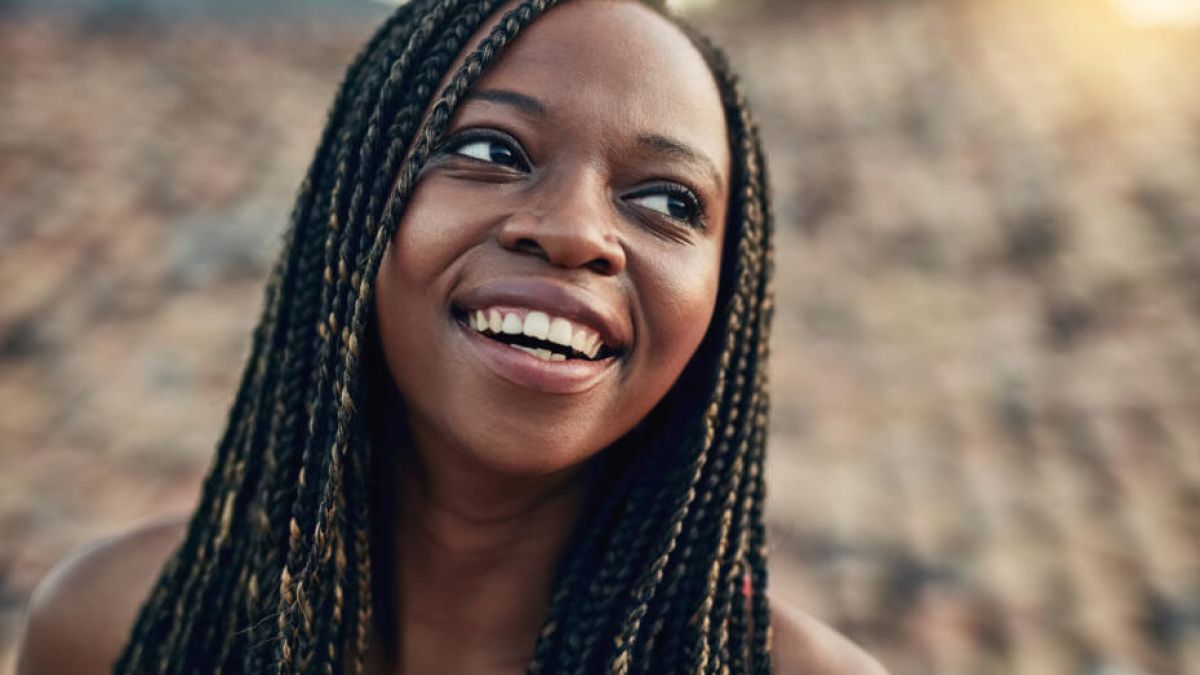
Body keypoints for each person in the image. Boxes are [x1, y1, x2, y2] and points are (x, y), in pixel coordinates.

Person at [17, 0, 888, 673]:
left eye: (668, 201)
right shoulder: (113, 628)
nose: (578, 231)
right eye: (493, 150)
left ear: (724, 298)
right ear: (352, 210)